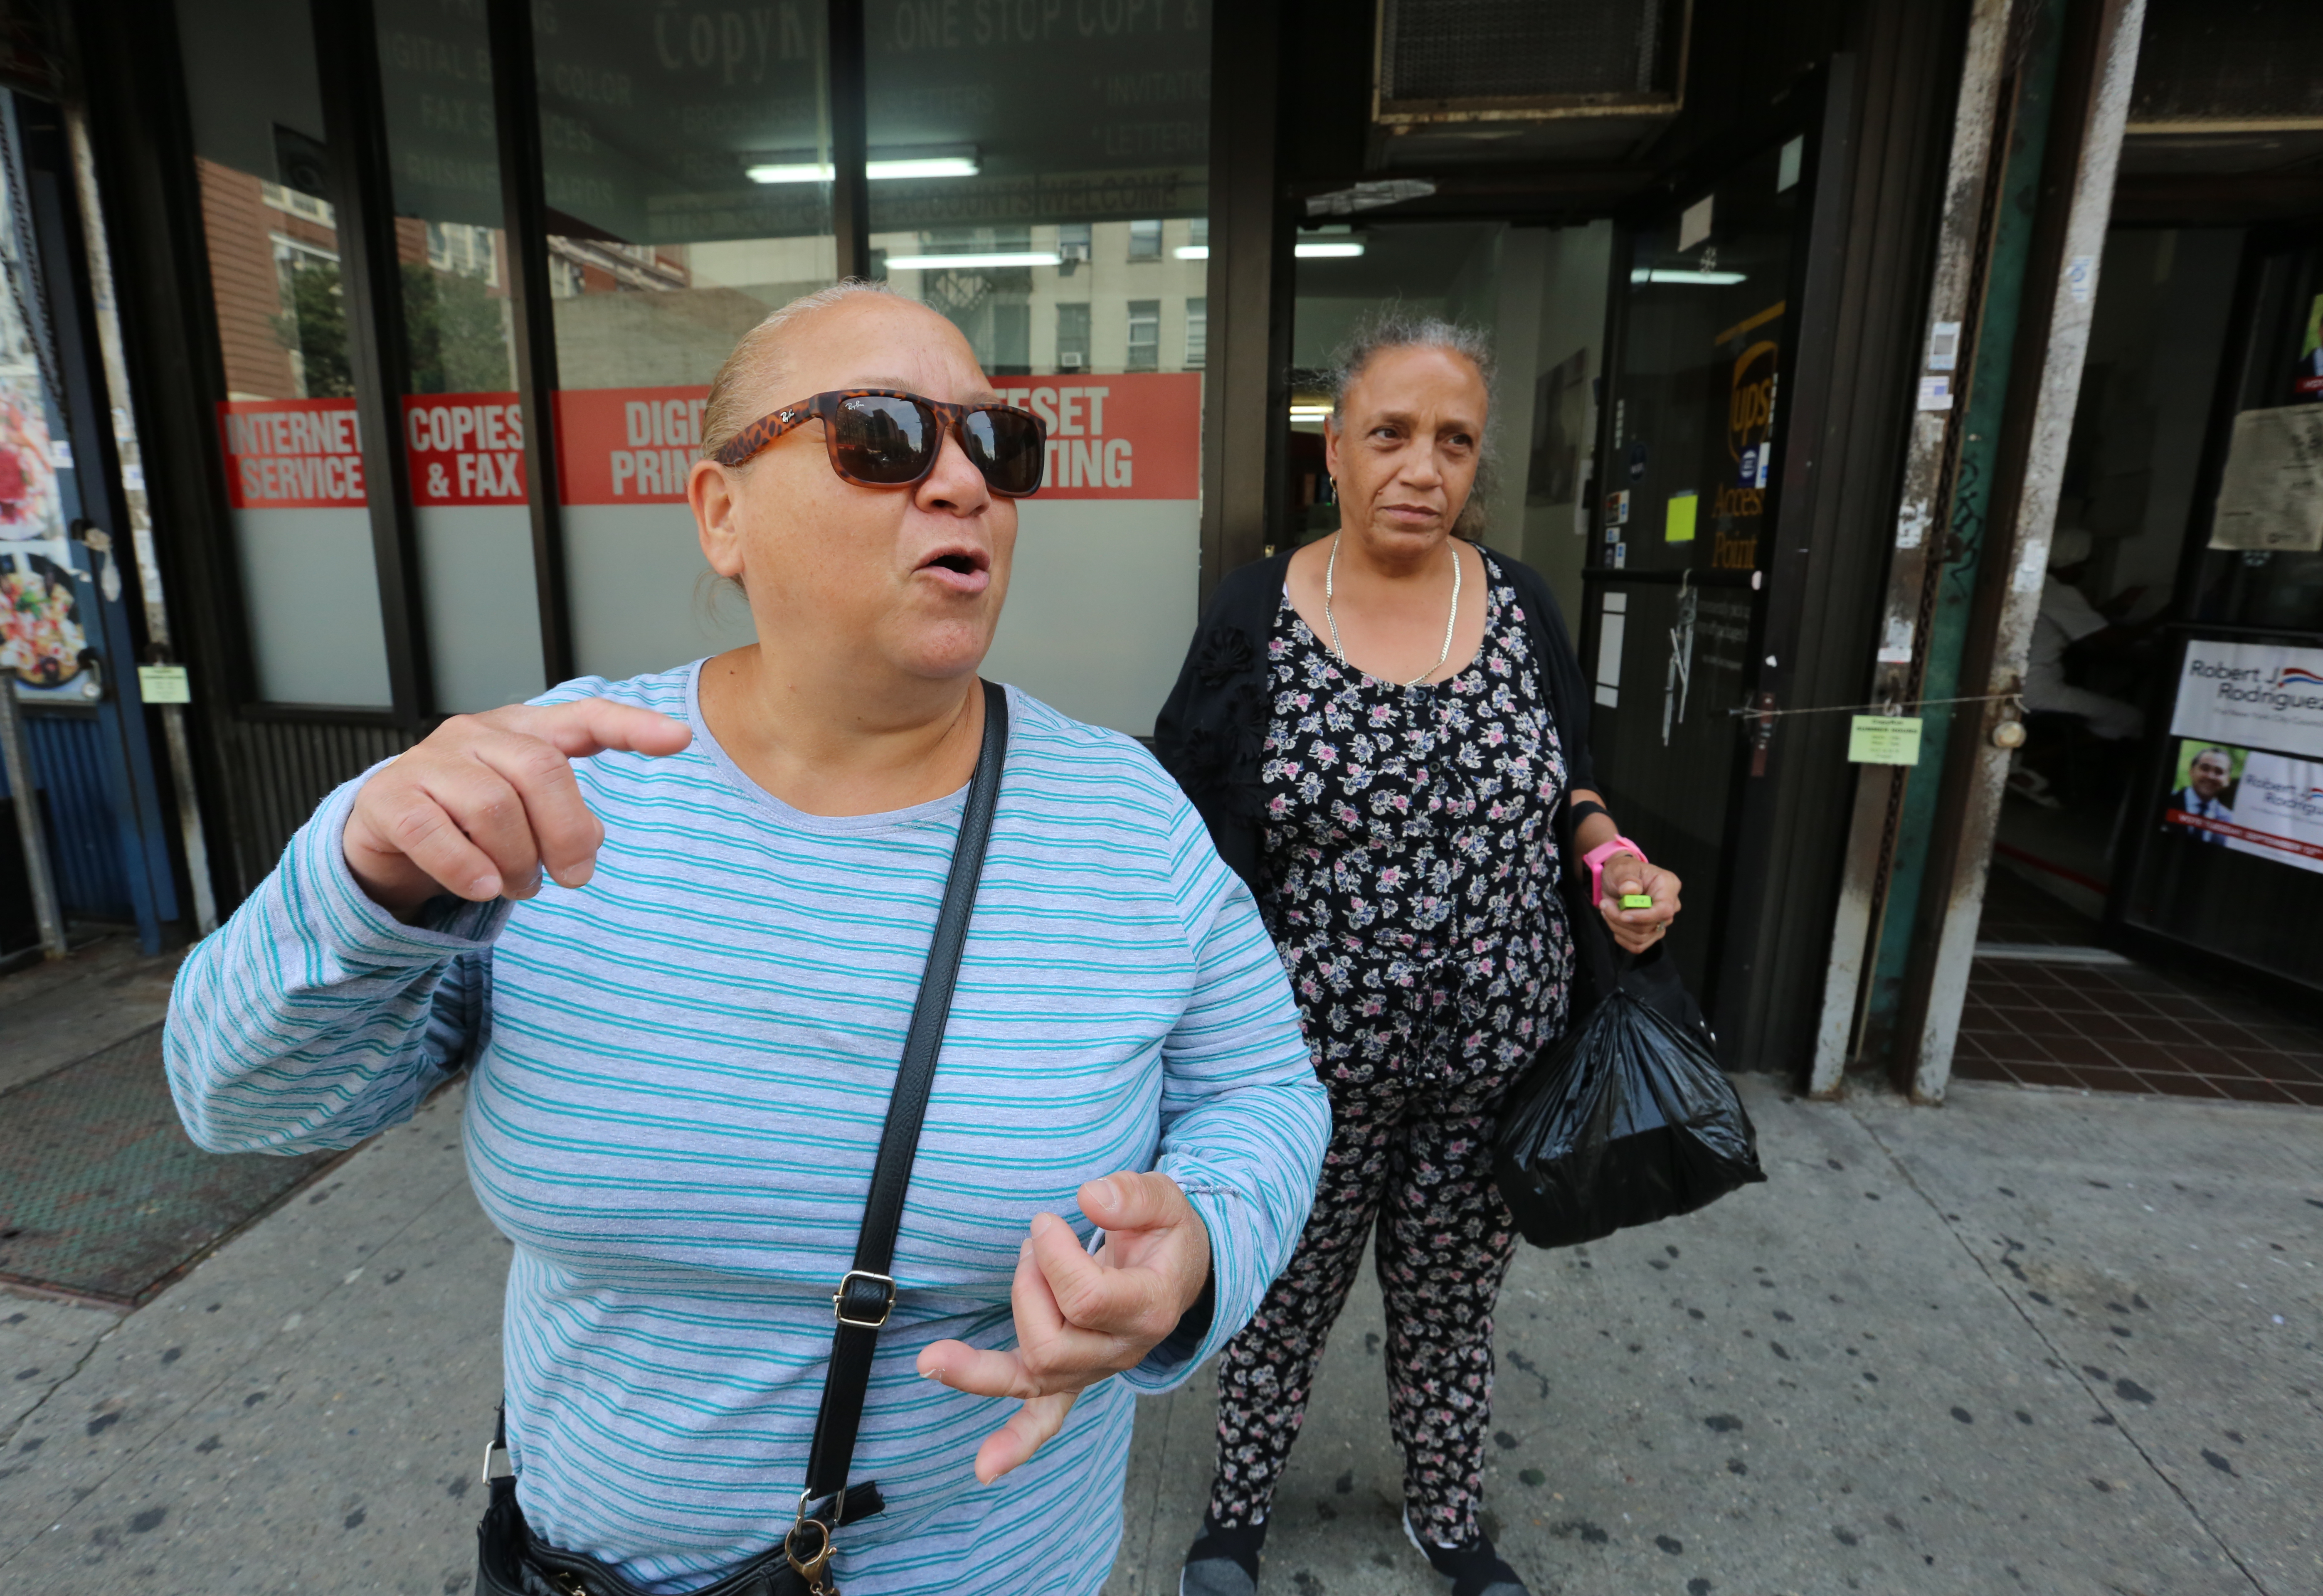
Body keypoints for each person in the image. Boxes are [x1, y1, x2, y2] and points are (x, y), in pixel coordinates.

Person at [165, 282, 1331, 1596]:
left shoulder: (1125, 820)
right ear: (723, 514)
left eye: (996, 443)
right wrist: (361, 882)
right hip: (584, 1569)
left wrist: (1202, 1249)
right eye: (881, 435)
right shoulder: (550, 778)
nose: (961, 482)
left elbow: (1262, 1090)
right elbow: (243, 1098)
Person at [1151, 312, 1682, 1596]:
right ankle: (1234, 1514)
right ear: (1333, 448)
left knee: (1451, 1302)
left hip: (1495, 1058)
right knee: (1282, 1297)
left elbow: (1573, 786)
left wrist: (1612, 859)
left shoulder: (1521, 606)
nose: (1421, 467)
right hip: (1304, 1068)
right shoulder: (1256, 612)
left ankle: (1447, 1514)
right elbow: (1185, 820)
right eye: (1388, 433)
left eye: (1453, 440)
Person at [2021, 527, 2144, 741]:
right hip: (2035, 691)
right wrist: (2164, 618)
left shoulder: (2029, 585)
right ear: (2068, 564)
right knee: (2130, 718)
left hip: (2013, 686)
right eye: (2082, 565)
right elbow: (2112, 642)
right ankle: (2062, 759)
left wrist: (2116, 605)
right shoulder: (2060, 593)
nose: (2084, 572)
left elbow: (2078, 621)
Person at [2168, 746, 2237, 844]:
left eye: (2219, 772)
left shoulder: (2231, 821)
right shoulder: (2167, 802)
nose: (2210, 776)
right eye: (2205, 769)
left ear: (2228, 780)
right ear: (2191, 771)